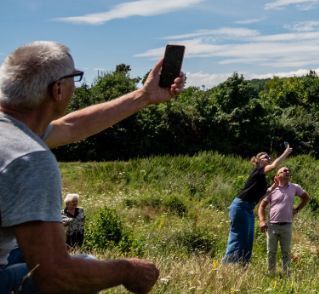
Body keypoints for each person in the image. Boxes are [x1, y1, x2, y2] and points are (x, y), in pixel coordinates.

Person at [1, 41, 184, 293]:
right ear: (58, 90)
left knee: (27, 248)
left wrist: (143, 96)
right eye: (74, 78)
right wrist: (126, 270)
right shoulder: (29, 157)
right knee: (83, 265)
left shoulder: (12, 133)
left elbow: (73, 126)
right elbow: (55, 277)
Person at [222, 144, 292, 265]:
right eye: (265, 157)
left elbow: (263, 195)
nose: (268, 159)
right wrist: (286, 152)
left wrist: (274, 186)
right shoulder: (258, 170)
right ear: (258, 160)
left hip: (248, 209)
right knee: (238, 236)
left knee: (248, 238)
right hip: (240, 206)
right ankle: (228, 264)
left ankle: (243, 265)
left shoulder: (261, 178)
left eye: (269, 157)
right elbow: (275, 165)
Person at [256, 166, 308, 276]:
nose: (287, 172)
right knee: (271, 251)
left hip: (287, 225)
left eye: (288, 170)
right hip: (272, 226)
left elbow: (306, 197)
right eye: (284, 171)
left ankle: (287, 275)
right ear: (277, 176)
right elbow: (261, 206)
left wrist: (297, 209)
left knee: (286, 252)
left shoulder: (294, 187)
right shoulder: (272, 189)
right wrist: (261, 220)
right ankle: (271, 274)